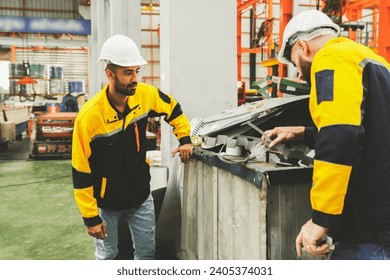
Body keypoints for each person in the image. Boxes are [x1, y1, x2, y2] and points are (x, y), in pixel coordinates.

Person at [265, 9, 390, 260]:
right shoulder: (374, 61)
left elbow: (341, 137)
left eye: (293, 62)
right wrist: (305, 133)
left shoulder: (330, 57)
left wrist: (320, 219)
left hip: (366, 232)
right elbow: (372, 128)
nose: (299, 74)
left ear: (302, 47)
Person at [71, 34, 193, 260]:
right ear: (110, 74)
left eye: (136, 71)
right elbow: (80, 171)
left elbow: (173, 110)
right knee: (108, 256)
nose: (135, 78)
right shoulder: (89, 117)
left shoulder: (145, 95)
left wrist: (184, 139)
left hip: (140, 197)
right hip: (105, 204)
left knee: (146, 253)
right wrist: (90, 217)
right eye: (128, 73)